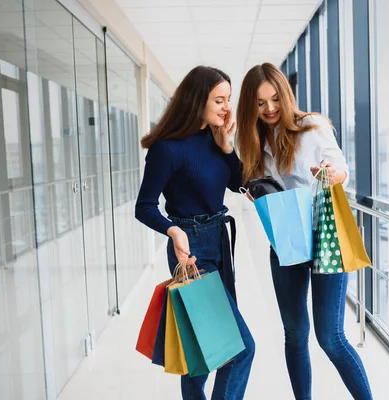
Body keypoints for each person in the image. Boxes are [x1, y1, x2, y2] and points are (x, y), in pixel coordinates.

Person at [236, 63, 373, 400]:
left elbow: (342, 169)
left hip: (325, 235)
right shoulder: (252, 141)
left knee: (331, 337)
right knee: (295, 335)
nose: (269, 109)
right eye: (259, 103)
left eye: (274, 99)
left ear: (285, 95)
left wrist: (330, 173)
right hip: (286, 239)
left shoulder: (312, 126)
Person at [135, 66, 254, 400]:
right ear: (197, 100)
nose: (226, 107)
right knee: (240, 349)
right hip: (191, 248)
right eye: (219, 99)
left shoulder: (216, 139)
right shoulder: (167, 148)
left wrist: (228, 147)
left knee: (200, 355)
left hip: (218, 240)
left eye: (228, 99)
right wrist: (172, 230)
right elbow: (144, 206)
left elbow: (240, 184)